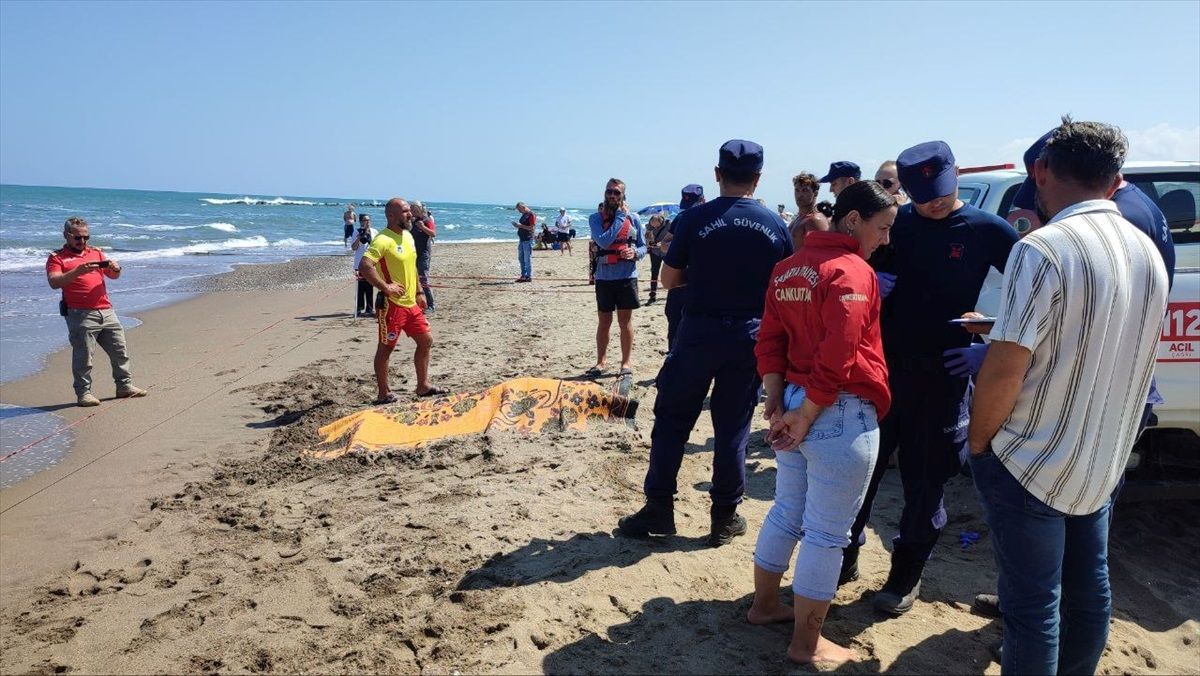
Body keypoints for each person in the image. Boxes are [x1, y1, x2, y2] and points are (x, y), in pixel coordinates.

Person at [967, 118, 1168, 676]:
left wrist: (981, 442)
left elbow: (1007, 367)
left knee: (1034, 610)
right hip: (1100, 456)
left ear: (1041, 172)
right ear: (1115, 179)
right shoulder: (1146, 250)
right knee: (1089, 594)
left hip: (1033, 456)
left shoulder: (1045, 248)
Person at [846, 141, 1019, 615]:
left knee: (926, 482)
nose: (933, 203)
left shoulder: (987, 230)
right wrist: (867, 277)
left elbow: (1037, 295)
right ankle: (846, 556)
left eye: (939, 193)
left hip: (944, 375)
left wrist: (991, 336)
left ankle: (905, 575)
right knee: (862, 469)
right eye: (921, 196)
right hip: (883, 371)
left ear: (956, 176)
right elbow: (845, 268)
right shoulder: (896, 225)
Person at [748, 180, 897, 665]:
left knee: (789, 510)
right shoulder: (852, 272)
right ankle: (806, 645)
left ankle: (765, 606)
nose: (886, 239)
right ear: (853, 221)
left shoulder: (787, 268)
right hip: (836, 410)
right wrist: (805, 412)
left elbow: (769, 339)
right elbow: (840, 352)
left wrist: (777, 401)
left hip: (795, 396)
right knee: (828, 533)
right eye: (883, 227)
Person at [616, 140, 793, 546]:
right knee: (732, 427)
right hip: (749, 334)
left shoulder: (695, 219)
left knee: (673, 420)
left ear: (717, 173)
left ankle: (659, 507)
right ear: (758, 178)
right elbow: (783, 286)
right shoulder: (774, 224)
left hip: (698, 330)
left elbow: (669, 279)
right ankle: (724, 517)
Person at [45, 217, 147, 406]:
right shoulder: (57, 257)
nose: (82, 241)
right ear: (66, 235)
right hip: (80, 314)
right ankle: (84, 394)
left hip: (106, 310)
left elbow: (113, 276)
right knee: (84, 357)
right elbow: (54, 282)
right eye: (77, 238)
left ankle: (124, 386)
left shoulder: (96, 252)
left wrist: (116, 268)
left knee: (120, 351)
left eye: (86, 237)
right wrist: (78, 271)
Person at [358, 198, 446, 404]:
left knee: (426, 341)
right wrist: (385, 287)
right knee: (386, 347)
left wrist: (419, 292)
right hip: (391, 305)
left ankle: (423, 386)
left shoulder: (408, 236)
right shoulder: (383, 239)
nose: (410, 215)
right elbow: (365, 265)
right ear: (391, 216)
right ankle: (383, 393)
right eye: (405, 211)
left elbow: (413, 267)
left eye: (410, 211)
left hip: (411, 303)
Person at [587, 178, 646, 377]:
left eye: (616, 193)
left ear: (623, 196)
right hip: (604, 278)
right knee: (604, 322)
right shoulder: (595, 218)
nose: (612, 195)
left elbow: (643, 246)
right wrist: (620, 217)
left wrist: (635, 253)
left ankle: (626, 364)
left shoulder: (635, 218)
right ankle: (601, 362)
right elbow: (604, 242)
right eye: (609, 192)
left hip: (627, 277)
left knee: (625, 322)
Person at [662, 184, 705, 350]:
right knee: (674, 320)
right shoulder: (682, 218)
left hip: (703, 281)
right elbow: (664, 244)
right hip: (679, 279)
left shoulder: (711, 217)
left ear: (702, 200)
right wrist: (681, 243)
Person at [788, 172, 831, 250]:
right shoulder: (798, 219)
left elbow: (822, 255)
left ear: (815, 193)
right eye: (797, 190)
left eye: (805, 190)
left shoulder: (814, 221)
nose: (799, 195)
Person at [409, 201, 436, 314]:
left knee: (423, 278)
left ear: (420, 209)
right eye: (412, 209)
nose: (414, 211)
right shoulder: (412, 221)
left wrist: (423, 227)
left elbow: (433, 234)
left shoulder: (427, 220)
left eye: (415, 209)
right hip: (413, 253)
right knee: (413, 279)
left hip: (424, 254)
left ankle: (431, 305)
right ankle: (416, 303)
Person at [350, 213, 378, 317]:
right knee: (360, 287)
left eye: (369, 220)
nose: (367, 222)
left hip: (371, 262)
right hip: (360, 263)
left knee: (370, 286)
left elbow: (376, 245)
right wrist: (359, 238)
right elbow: (353, 248)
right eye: (365, 220)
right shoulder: (356, 231)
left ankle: (369, 309)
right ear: (361, 221)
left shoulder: (374, 231)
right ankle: (359, 308)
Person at [644, 213, 671, 305]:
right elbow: (647, 242)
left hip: (666, 252)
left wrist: (664, 243)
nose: (654, 227)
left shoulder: (669, 225)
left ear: (660, 221)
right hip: (655, 253)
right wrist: (650, 241)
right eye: (652, 225)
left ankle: (672, 294)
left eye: (655, 225)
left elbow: (675, 237)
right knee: (654, 273)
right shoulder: (649, 227)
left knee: (670, 271)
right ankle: (652, 296)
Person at [511, 202, 535, 282]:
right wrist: (518, 226)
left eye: (519, 209)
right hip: (522, 239)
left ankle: (528, 276)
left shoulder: (531, 214)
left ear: (523, 207)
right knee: (521, 258)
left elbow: (531, 228)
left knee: (527, 259)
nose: (519, 211)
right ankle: (523, 275)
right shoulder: (524, 214)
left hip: (528, 239)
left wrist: (520, 226)